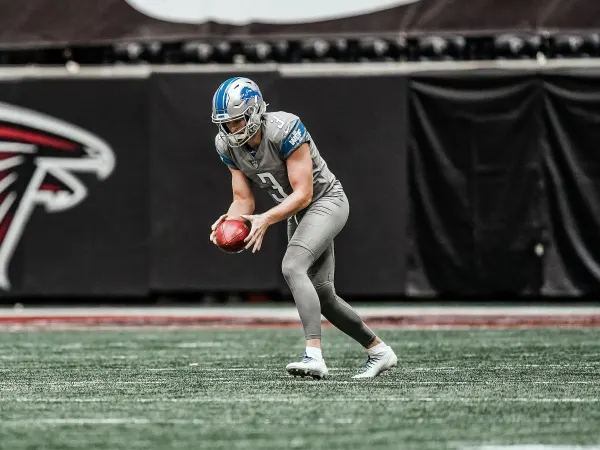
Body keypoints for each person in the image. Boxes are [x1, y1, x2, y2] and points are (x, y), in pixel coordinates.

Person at [208, 77, 397, 379]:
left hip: (326, 201)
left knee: (292, 266)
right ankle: (379, 351)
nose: (232, 130)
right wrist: (231, 221)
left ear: (255, 112)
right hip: (297, 212)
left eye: (237, 121)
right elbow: (242, 200)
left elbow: (304, 193)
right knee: (323, 296)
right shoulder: (227, 147)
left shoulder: (284, 128)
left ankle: (314, 355)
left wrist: (266, 219)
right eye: (226, 124)